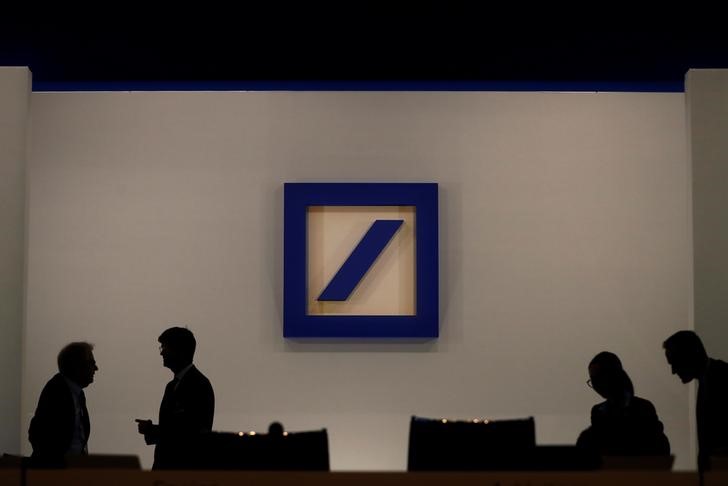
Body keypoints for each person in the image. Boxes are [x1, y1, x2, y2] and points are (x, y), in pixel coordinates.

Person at [136, 327, 214, 469]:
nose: (162, 352)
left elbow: (191, 433)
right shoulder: (172, 386)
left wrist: (152, 430)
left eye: (165, 347)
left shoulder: (199, 385)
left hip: (184, 471)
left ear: (180, 350)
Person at [577, 351, 670, 458]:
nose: (596, 385)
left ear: (613, 376)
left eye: (598, 378)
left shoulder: (642, 408)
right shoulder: (598, 411)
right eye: (593, 381)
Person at [664, 330, 728, 471]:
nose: (674, 371)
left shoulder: (719, 379)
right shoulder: (716, 376)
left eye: (674, 362)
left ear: (688, 356)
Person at [28, 342, 98, 467]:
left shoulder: (77, 394)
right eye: (91, 363)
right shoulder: (56, 391)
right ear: (77, 365)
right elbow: (38, 434)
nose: (96, 368)